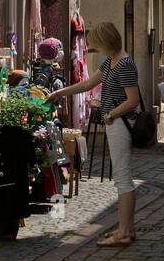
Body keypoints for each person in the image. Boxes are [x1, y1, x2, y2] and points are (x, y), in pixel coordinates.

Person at [50, 22, 140, 247]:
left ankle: (123, 232)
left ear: (105, 41)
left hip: (121, 123)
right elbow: (88, 83)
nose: (94, 47)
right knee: (122, 177)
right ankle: (127, 229)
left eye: (96, 43)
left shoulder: (125, 63)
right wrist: (60, 92)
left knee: (122, 178)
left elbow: (133, 100)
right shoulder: (112, 62)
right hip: (115, 122)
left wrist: (111, 114)